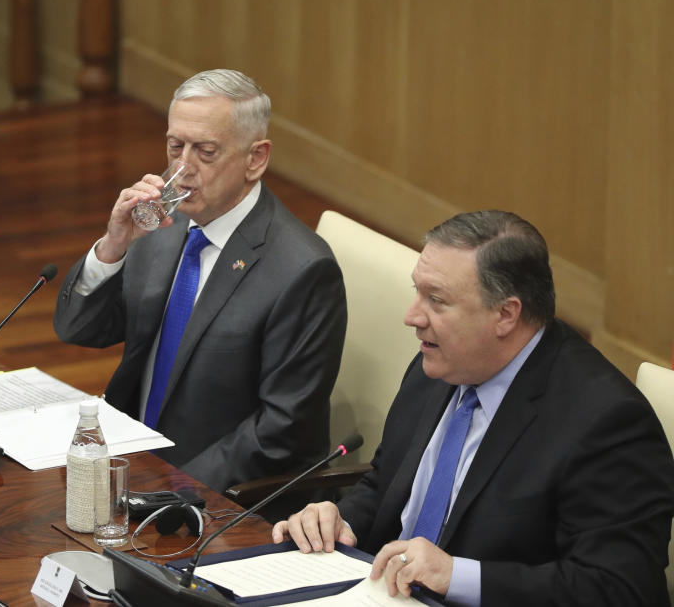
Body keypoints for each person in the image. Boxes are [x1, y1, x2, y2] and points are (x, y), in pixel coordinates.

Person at [272, 210, 674, 606]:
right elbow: (386, 484)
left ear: (505, 314)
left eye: (436, 300)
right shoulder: (440, 365)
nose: (412, 316)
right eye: (417, 292)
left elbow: (619, 588)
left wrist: (459, 577)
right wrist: (340, 523)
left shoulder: (606, 423)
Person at [53, 69, 346, 495]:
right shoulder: (164, 226)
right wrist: (113, 246)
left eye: (205, 152)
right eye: (175, 147)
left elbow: (281, 430)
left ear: (255, 158)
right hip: (132, 461)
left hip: (222, 496)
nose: (183, 169)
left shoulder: (302, 272)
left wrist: (171, 486)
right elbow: (81, 329)